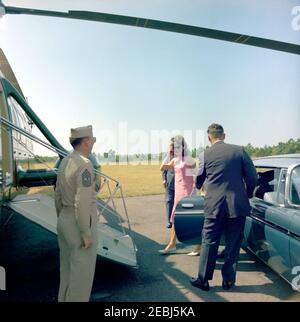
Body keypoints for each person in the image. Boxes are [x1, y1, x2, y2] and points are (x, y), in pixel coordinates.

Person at [190, 123, 257, 291]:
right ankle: (228, 281)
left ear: (209, 137)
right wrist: (247, 194)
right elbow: (252, 177)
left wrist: (201, 184)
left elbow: (198, 182)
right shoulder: (240, 151)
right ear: (224, 135)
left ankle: (203, 279)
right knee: (233, 243)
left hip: (213, 205)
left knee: (209, 242)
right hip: (237, 205)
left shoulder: (204, 154)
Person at [55, 125, 98, 302]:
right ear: (87, 141)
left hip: (64, 220)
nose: (93, 144)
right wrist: (85, 231)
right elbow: (82, 201)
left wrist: (62, 218)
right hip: (79, 224)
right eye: (92, 140)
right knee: (81, 279)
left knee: (66, 273)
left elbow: (57, 193)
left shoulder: (65, 161)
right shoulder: (85, 164)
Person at [158, 135, 196, 254]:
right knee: (175, 217)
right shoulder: (174, 160)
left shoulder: (188, 159)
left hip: (187, 191)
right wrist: (169, 154)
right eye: (173, 148)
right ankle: (172, 244)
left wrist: (195, 189)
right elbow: (162, 167)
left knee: (191, 218)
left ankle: (198, 245)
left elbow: (195, 171)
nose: (175, 149)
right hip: (178, 191)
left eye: (177, 147)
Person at [162, 139, 175, 229]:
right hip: (169, 182)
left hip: (179, 184)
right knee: (169, 201)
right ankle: (169, 221)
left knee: (178, 202)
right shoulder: (168, 157)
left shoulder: (182, 157)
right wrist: (164, 179)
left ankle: (177, 220)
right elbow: (163, 169)